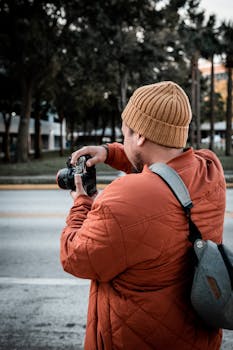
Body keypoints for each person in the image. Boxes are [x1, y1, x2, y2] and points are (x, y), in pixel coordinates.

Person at [60, 81, 226, 350]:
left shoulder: (126, 195)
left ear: (139, 137)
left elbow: (75, 258)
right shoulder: (210, 170)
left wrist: (81, 203)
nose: (122, 139)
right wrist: (110, 152)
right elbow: (167, 166)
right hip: (197, 338)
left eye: (124, 133)